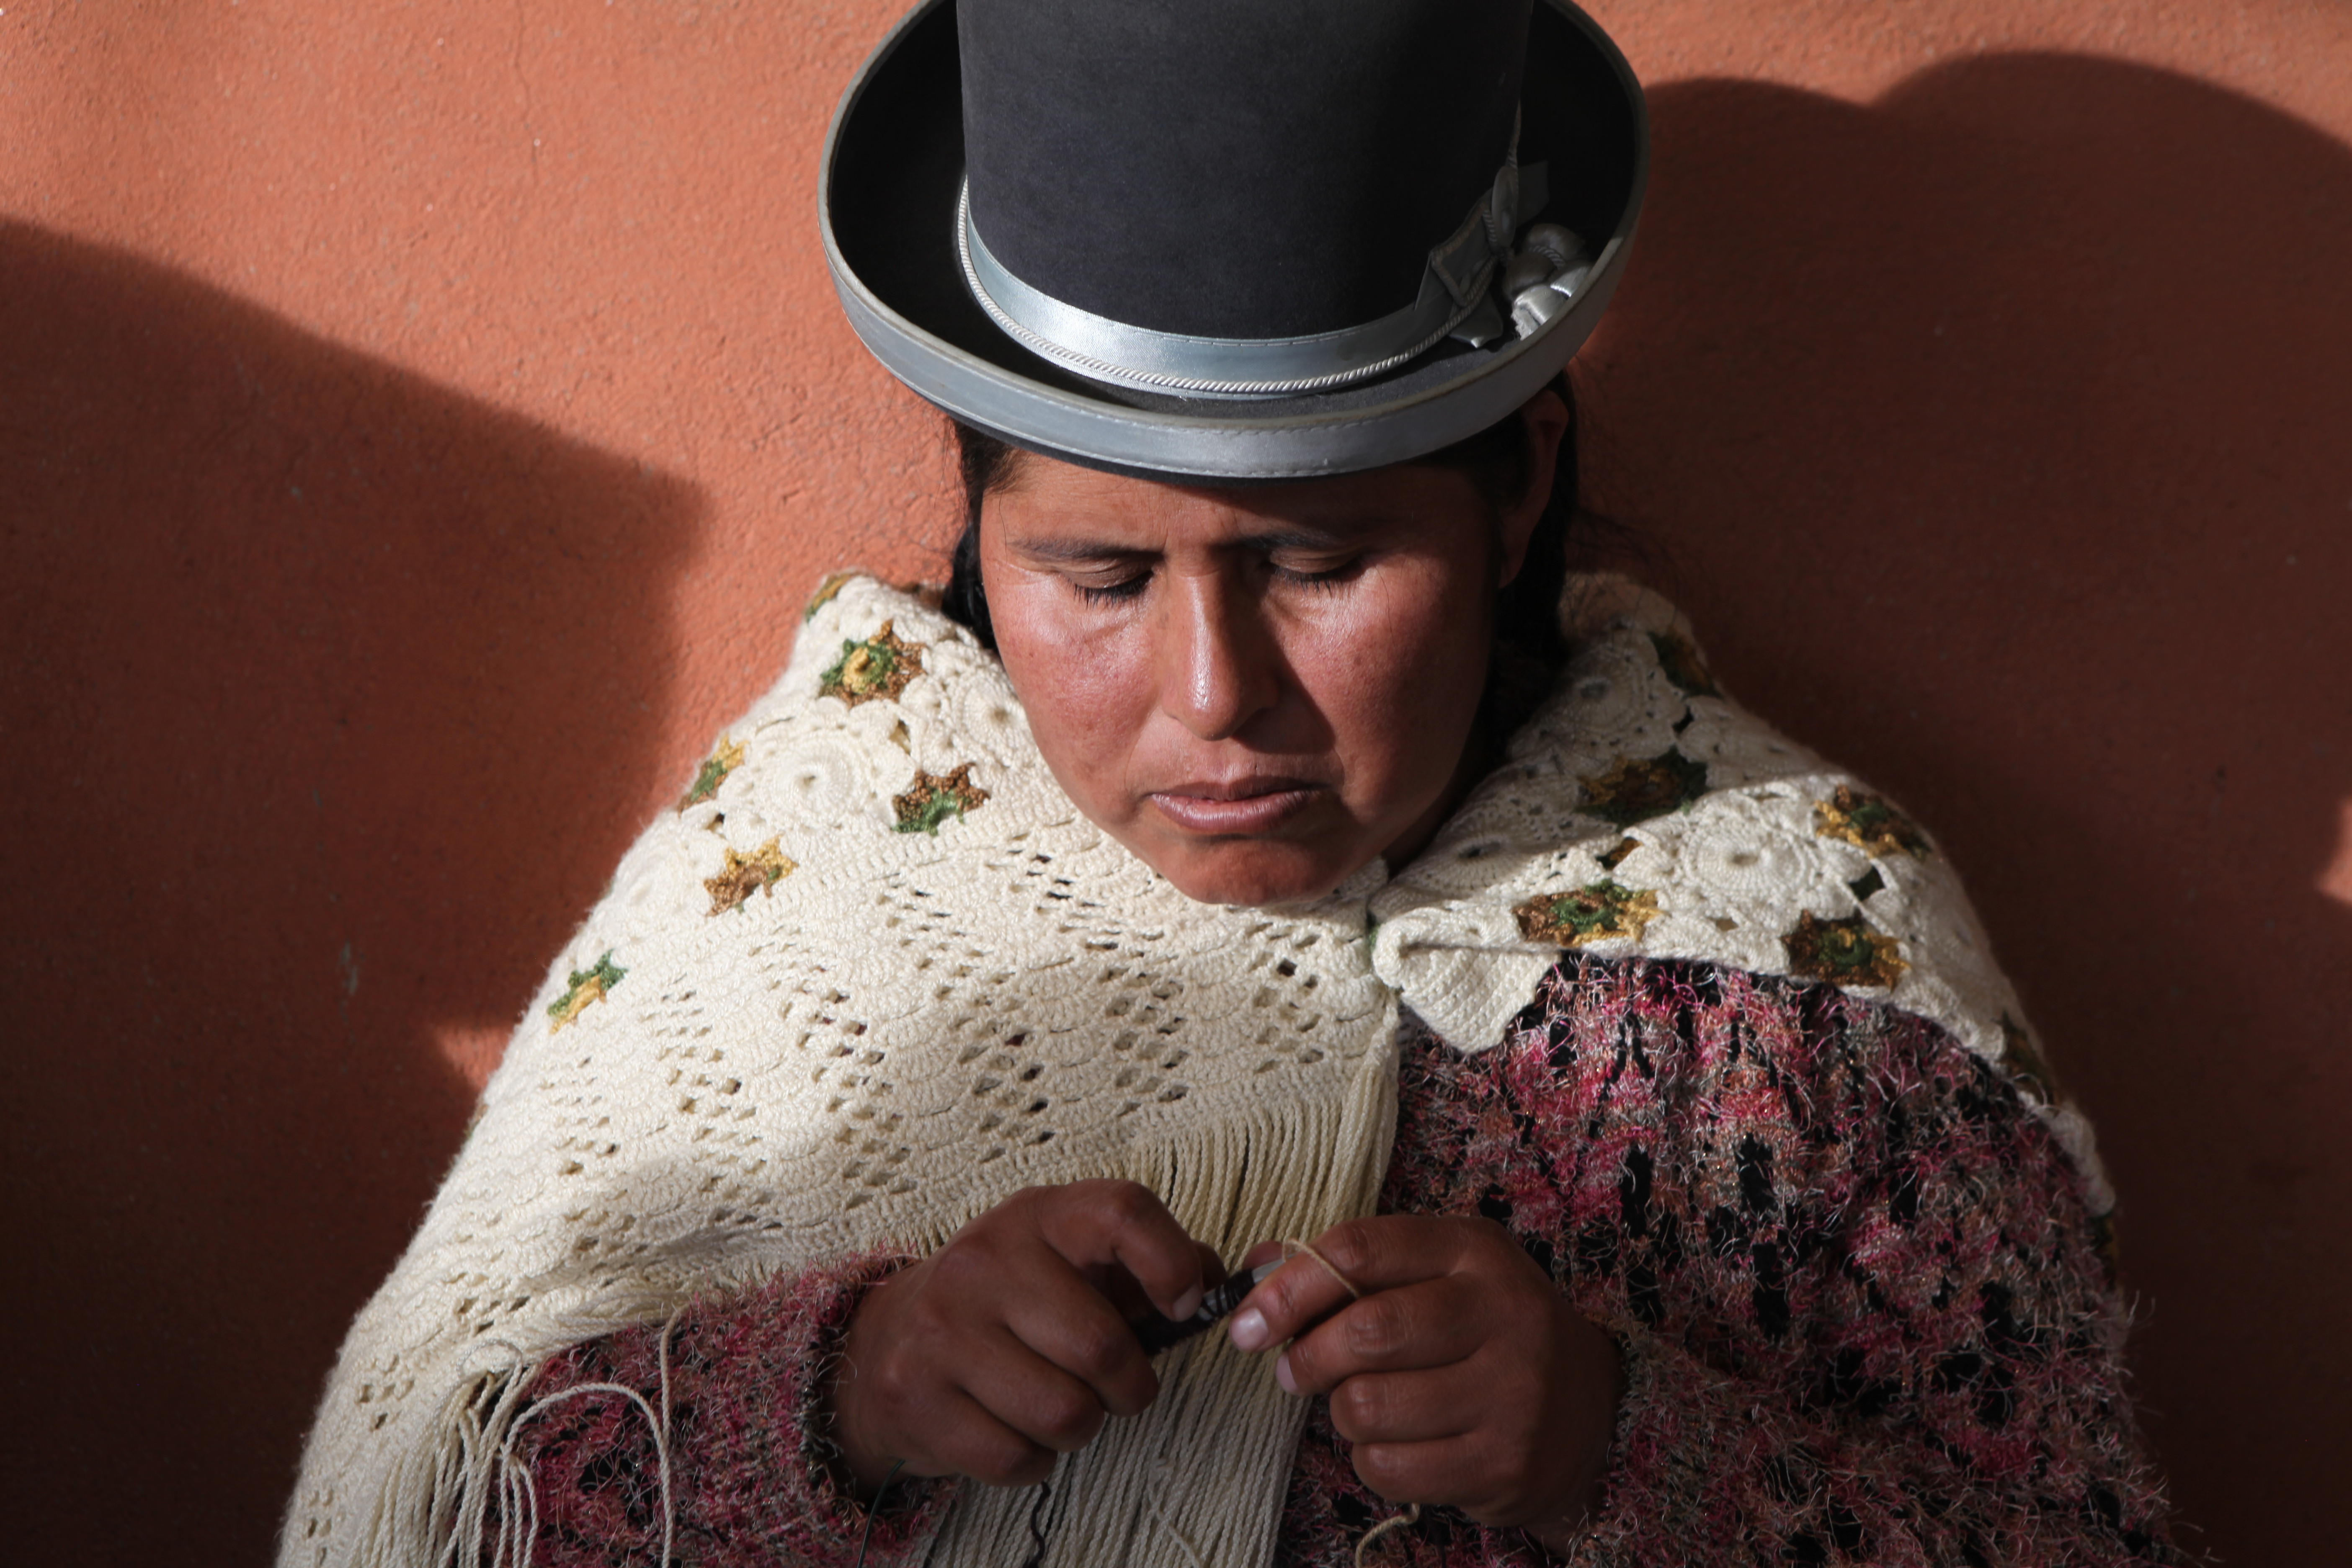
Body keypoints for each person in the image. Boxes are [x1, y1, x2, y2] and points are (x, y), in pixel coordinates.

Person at [282, 2, 2181, 1565]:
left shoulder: (1800, 971)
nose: (1215, 698)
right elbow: (412, 1497)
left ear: (1516, 491)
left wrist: (1625, 1453)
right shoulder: (801, 885)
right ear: (979, 528)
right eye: (1098, 580)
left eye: (1319, 565)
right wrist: (848, 1390)